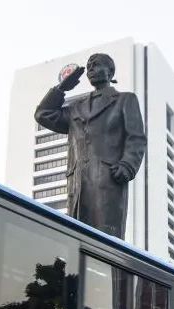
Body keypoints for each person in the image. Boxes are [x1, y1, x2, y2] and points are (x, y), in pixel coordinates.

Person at [34, 53, 146, 238]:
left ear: (110, 71)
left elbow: (136, 138)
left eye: (96, 65)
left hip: (107, 179)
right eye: (88, 67)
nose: (91, 69)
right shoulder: (76, 107)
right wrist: (61, 89)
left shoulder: (125, 100)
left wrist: (128, 165)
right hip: (78, 183)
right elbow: (43, 114)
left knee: (106, 241)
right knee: (76, 240)